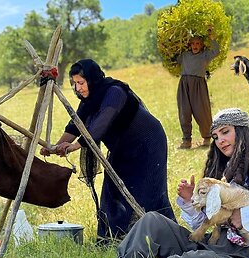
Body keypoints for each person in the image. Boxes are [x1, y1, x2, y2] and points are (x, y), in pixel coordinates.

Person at [112, 108, 249, 258]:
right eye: (215, 137)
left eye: (225, 132)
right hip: (214, 243)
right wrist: (191, 203)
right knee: (151, 220)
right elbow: (205, 223)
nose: (220, 140)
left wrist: (247, 214)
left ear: (242, 130)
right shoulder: (222, 173)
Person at [40, 59, 176, 242]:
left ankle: (153, 237)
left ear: (93, 79)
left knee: (146, 189)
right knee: (113, 189)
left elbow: (102, 122)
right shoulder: (88, 101)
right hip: (122, 147)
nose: (77, 88)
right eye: (74, 83)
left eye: (81, 82)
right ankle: (113, 238)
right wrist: (56, 147)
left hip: (148, 144)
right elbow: (75, 126)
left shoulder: (114, 92)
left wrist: (75, 146)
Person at [176, 27, 220, 149]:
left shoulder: (205, 55)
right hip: (184, 85)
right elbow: (174, 58)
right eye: (193, 43)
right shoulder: (184, 55)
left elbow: (216, 51)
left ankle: (207, 137)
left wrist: (212, 38)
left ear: (201, 46)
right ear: (190, 45)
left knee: (202, 111)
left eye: (198, 44)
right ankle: (186, 140)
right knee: (184, 111)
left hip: (198, 86)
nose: (195, 46)